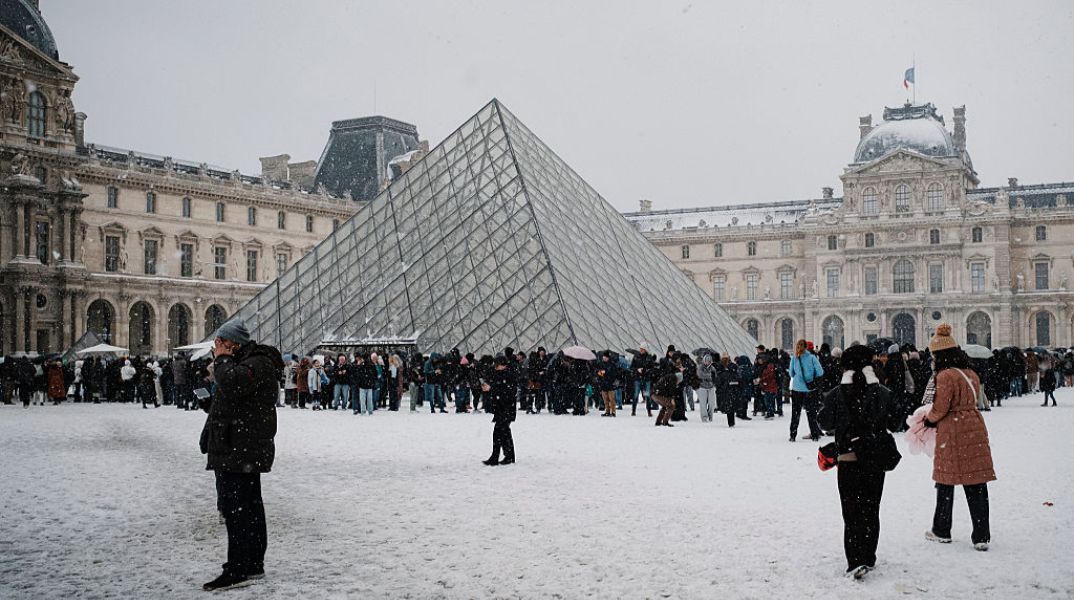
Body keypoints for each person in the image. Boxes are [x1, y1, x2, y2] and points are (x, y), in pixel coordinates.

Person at [199, 319, 283, 592]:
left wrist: (222, 363)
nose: (216, 349)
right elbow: (236, 400)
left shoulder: (257, 363)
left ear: (232, 343)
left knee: (239, 512)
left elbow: (234, 386)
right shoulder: (248, 363)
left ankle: (238, 568)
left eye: (219, 344)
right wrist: (208, 403)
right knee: (248, 508)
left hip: (240, 447)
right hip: (238, 445)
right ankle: (251, 564)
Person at [818, 344, 901, 579]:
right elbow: (896, 422)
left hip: (848, 458)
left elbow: (824, 422)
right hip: (875, 458)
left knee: (851, 511)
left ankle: (855, 559)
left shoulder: (837, 393)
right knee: (871, 508)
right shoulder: (882, 392)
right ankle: (869, 555)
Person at [923, 324, 996, 552]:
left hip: (952, 429)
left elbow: (941, 407)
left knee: (946, 481)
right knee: (976, 481)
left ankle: (942, 529)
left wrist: (929, 419)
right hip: (973, 425)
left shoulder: (945, 376)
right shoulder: (970, 373)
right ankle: (981, 534)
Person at [482, 355, 517, 466]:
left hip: (506, 408)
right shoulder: (499, 373)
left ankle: (499, 456)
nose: (495, 368)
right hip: (502, 408)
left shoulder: (509, 375)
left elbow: (507, 392)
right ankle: (507, 456)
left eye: (497, 365)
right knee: (504, 433)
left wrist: (491, 388)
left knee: (500, 433)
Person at [788, 339, 824, 442]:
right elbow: (820, 372)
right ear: (806, 347)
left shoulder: (794, 358)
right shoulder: (812, 358)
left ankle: (793, 435)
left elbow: (791, 374)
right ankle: (815, 434)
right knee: (811, 413)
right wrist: (811, 376)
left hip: (797, 389)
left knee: (795, 413)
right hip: (810, 389)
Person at [696, 353, 718, 422]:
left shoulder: (712, 368)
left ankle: (710, 416)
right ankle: (704, 417)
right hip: (702, 387)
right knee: (703, 403)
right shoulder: (700, 367)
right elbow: (700, 375)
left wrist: (710, 377)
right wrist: (710, 376)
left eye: (709, 361)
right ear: (704, 361)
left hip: (711, 387)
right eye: (706, 361)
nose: (707, 362)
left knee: (711, 403)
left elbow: (715, 376)